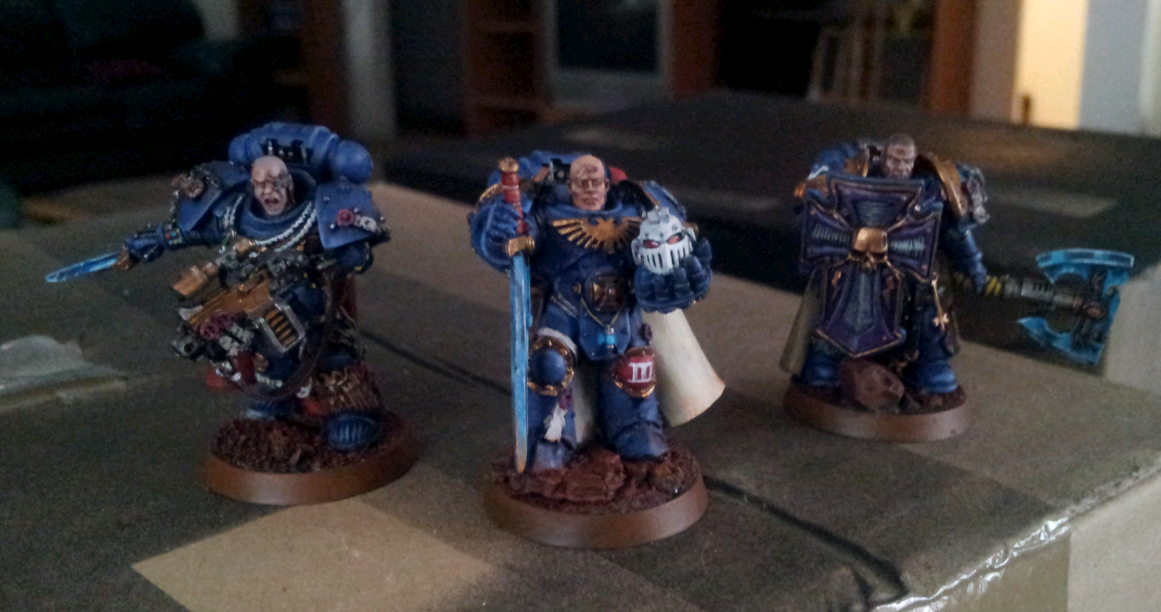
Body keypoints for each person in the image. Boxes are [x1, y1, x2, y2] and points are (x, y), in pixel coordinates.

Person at [120, 123, 391, 451]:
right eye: (260, 184)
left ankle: (352, 412)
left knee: (335, 357)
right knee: (263, 355)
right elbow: (191, 231)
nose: (268, 192)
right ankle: (275, 400)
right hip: (256, 306)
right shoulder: (234, 214)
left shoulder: (319, 211)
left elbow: (356, 257)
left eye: (276, 183)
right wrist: (152, 240)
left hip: (313, 307)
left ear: (288, 183)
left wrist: (343, 252)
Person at [470, 152, 713, 472]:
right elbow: (506, 247)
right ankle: (551, 436)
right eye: (582, 183)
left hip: (622, 312)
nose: (589, 189)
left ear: (607, 184)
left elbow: (674, 243)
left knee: (634, 366)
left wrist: (672, 275)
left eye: (596, 182)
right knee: (549, 363)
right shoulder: (546, 213)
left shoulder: (637, 209)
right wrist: (501, 231)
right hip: (564, 309)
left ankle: (635, 426)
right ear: (570, 186)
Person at [783, 134, 989, 407]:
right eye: (894, 159)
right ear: (883, 158)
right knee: (833, 309)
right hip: (854, 269)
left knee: (931, 311)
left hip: (913, 273)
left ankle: (932, 372)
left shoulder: (932, 187)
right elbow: (814, 214)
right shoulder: (850, 171)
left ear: (913, 162)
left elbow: (955, 232)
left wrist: (972, 264)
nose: (899, 167)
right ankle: (824, 368)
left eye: (906, 162)